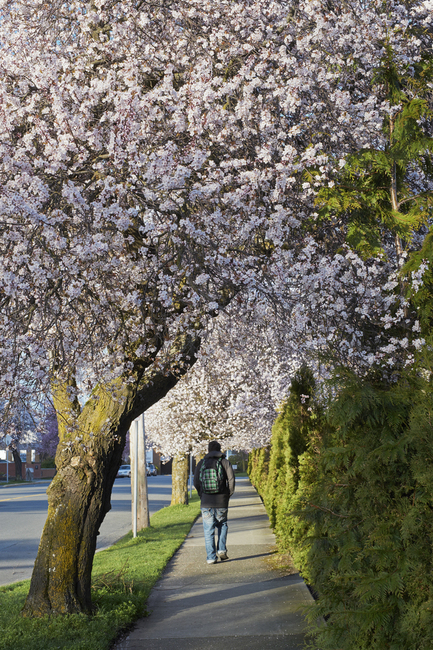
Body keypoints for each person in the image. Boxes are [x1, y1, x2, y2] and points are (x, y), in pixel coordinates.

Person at [194, 441, 235, 564]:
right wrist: (228, 495)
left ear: (208, 450)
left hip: (206, 501)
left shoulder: (201, 463)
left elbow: (196, 482)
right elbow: (231, 480)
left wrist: (202, 494)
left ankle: (211, 557)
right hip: (221, 501)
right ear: (220, 449)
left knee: (208, 530)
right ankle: (221, 549)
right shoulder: (225, 462)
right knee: (222, 524)